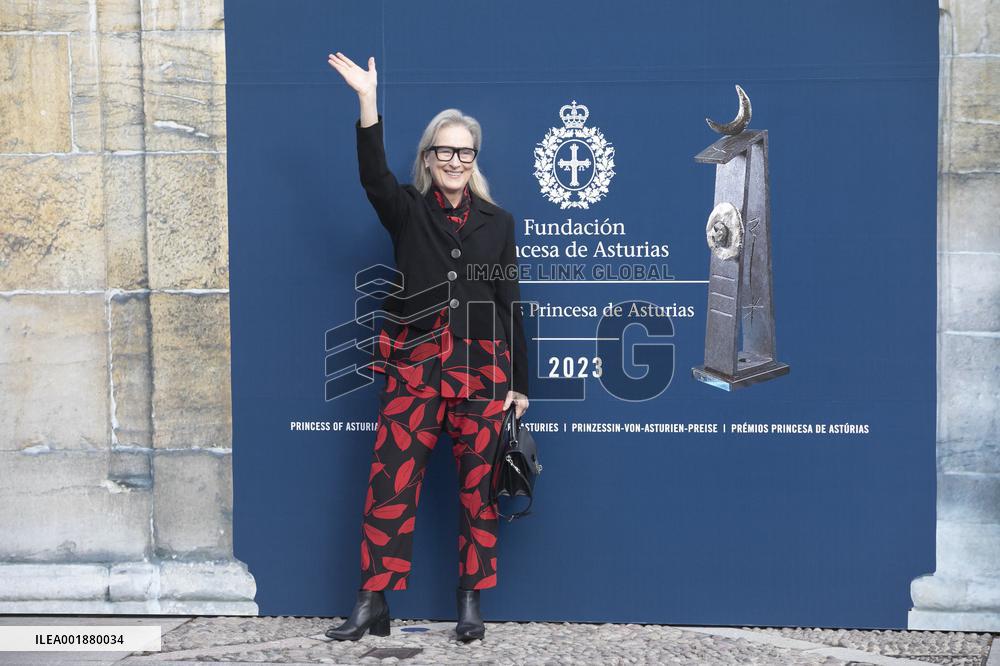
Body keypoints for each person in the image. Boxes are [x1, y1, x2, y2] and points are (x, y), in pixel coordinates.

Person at [324, 52, 530, 643]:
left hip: (483, 375)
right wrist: (368, 103)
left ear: (475, 159)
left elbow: (510, 302)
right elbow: (372, 177)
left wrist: (521, 383)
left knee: (478, 492)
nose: (455, 160)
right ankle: (372, 600)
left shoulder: (498, 220)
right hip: (416, 370)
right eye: (444, 150)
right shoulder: (407, 211)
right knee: (390, 482)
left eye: (465, 151)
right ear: (429, 158)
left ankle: (470, 601)